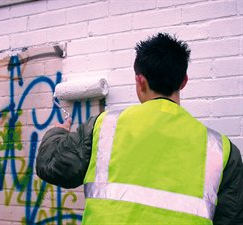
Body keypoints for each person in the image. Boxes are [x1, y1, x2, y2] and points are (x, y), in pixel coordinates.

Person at [36, 33, 243, 225]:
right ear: (184, 82)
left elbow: (51, 166)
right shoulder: (221, 150)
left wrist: (58, 132)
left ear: (140, 81)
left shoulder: (105, 126)